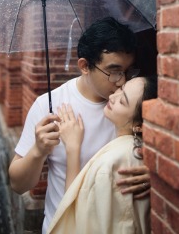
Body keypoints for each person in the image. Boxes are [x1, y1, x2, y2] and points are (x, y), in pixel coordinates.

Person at [9, 17, 151, 234]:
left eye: (128, 71)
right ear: (85, 66)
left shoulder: (133, 105)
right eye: (114, 71)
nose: (121, 81)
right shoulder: (49, 106)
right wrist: (38, 151)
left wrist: (153, 175)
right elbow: (18, 185)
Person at [47, 75, 157, 234]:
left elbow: (77, 213)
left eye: (122, 101)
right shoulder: (135, 151)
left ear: (139, 126)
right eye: (120, 89)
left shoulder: (113, 163)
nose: (112, 96)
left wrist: (72, 147)